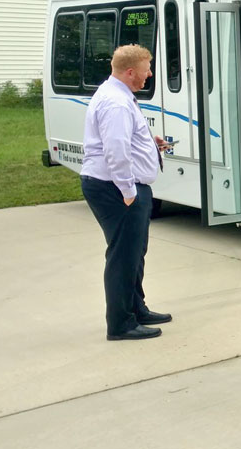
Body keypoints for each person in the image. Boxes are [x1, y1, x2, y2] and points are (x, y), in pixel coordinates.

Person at [80, 44, 171, 341]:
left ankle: (136, 308)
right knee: (123, 255)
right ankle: (121, 324)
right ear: (131, 71)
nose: (150, 74)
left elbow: (125, 139)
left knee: (135, 252)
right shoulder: (116, 103)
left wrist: (149, 144)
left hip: (118, 186)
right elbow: (115, 150)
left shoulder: (119, 96)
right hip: (115, 188)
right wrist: (128, 191)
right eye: (146, 69)